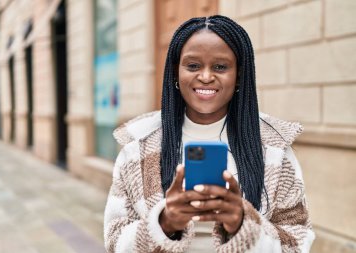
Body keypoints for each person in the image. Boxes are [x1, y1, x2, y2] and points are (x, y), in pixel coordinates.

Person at [104, 15, 315, 253]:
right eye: (193, 65)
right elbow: (114, 241)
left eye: (220, 66)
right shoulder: (138, 145)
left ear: (238, 75)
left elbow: (298, 242)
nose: (205, 76)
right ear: (176, 72)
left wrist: (242, 225)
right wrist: (165, 222)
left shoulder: (274, 148)